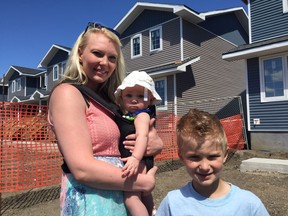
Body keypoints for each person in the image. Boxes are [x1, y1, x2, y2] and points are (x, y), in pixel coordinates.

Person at [48, 22, 163, 216]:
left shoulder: (113, 102)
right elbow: (82, 169)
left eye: (112, 58)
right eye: (97, 53)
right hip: (92, 199)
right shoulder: (68, 93)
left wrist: (155, 143)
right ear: (80, 54)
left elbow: (136, 136)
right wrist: (144, 182)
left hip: (119, 194)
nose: (105, 63)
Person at [156, 109, 269, 216]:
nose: (204, 167)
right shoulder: (172, 203)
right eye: (195, 157)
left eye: (212, 156)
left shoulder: (249, 205)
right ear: (181, 157)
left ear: (225, 155)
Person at [114, 70, 162, 216]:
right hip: (140, 160)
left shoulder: (141, 115)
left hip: (137, 160)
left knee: (131, 198)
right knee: (144, 194)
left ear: (150, 99)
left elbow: (142, 136)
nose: (134, 100)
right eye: (129, 95)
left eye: (140, 96)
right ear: (122, 98)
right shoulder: (129, 115)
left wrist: (135, 158)